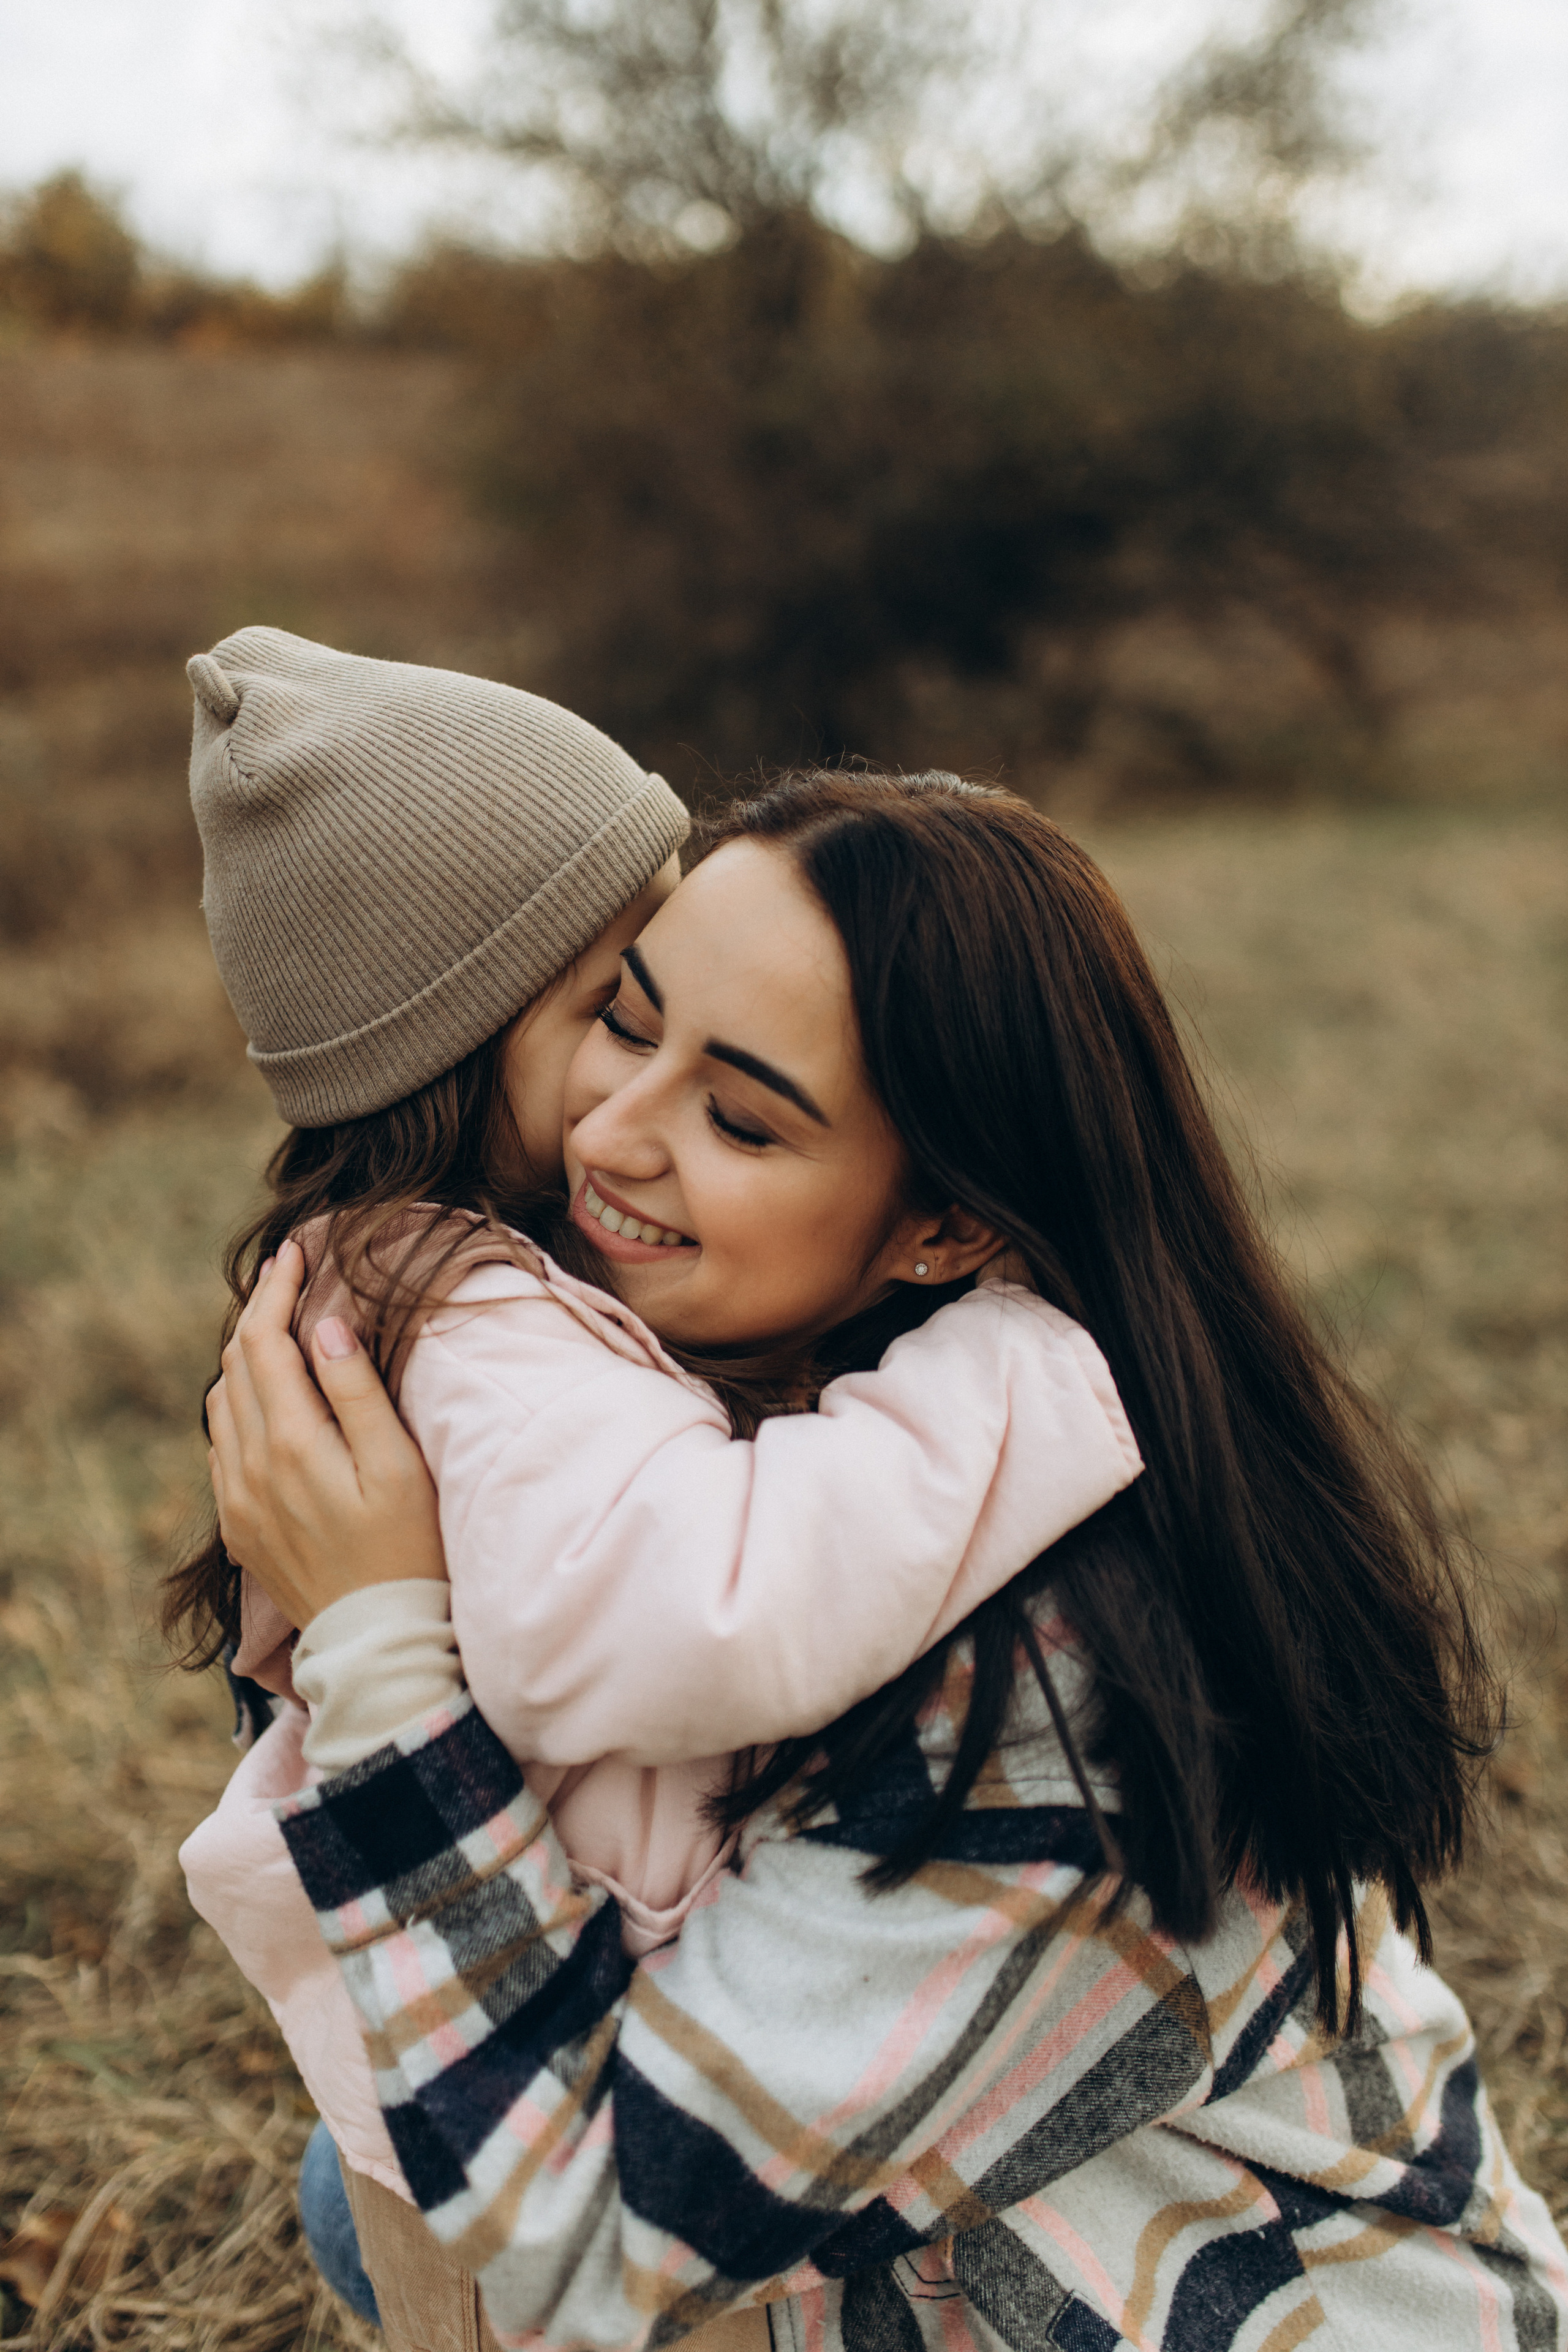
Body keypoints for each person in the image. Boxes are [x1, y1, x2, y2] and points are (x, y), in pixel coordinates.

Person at [211, 768, 1568, 2351]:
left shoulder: (1071, 1684)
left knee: (469, 2158)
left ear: (945, 1228)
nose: (612, 1132)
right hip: (896, 2275)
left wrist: (387, 1640)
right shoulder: (712, 1437)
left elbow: (563, 2250)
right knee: (363, 2169)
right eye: (628, 1024)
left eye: (740, 1116)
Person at [169, 635, 1142, 2328]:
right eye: (625, 1005)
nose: (644, 1097)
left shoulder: (461, 1292)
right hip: (511, 2080)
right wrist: (1015, 1363)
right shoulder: (462, 1314)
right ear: (462, 1049)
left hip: (494, 2041)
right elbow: (700, 1597)